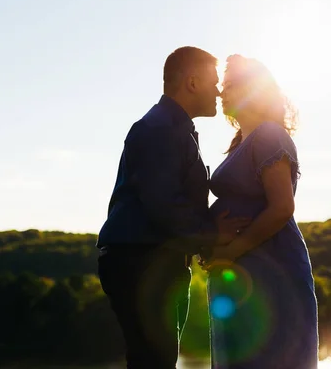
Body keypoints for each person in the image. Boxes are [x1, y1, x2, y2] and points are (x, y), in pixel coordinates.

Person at [96, 46, 250, 369]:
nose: (219, 90)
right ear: (192, 83)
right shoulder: (159, 129)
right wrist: (212, 233)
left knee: (158, 360)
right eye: (213, 81)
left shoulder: (172, 127)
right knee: (153, 361)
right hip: (140, 261)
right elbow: (163, 204)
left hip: (153, 260)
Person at [202, 54, 319, 369]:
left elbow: (282, 207)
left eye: (228, 85)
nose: (220, 93)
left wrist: (233, 250)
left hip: (271, 268)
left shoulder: (269, 135)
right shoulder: (242, 141)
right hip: (240, 268)